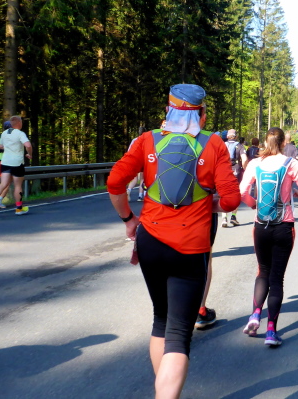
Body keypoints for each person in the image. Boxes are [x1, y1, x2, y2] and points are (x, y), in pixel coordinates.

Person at [107, 84, 240, 399]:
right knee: (179, 334)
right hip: (190, 247)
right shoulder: (214, 144)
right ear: (201, 114)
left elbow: (114, 182)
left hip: (150, 241)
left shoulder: (147, 140)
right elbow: (232, 200)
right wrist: (209, 204)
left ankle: (165, 390)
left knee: (161, 320)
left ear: (168, 111)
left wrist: (129, 220)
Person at [239, 127, 298, 347]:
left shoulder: (255, 163)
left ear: (265, 142)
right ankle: (271, 331)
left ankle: (255, 315)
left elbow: (242, 192)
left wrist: (255, 205)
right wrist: (297, 193)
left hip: (261, 225)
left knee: (262, 271)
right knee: (277, 278)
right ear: (283, 143)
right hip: (284, 225)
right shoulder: (291, 164)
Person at [0, 116, 33, 216]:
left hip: (5, 162)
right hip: (17, 162)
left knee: (3, 184)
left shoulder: (4, 133)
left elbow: (0, 146)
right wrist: (29, 154)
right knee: (18, 186)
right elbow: (28, 145)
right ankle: (19, 209)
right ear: (19, 123)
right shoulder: (20, 133)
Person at [221, 129, 247, 228]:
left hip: (224, 170)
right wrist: (245, 169)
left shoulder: (222, 145)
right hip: (236, 171)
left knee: (224, 193)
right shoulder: (239, 146)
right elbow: (244, 159)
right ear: (236, 136)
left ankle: (224, 218)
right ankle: (233, 216)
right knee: (236, 193)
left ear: (227, 136)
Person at [126, 126, 147, 201]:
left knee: (134, 178)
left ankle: (129, 190)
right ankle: (140, 196)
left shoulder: (134, 140)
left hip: (134, 160)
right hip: (142, 160)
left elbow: (129, 151)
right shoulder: (146, 141)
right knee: (142, 179)